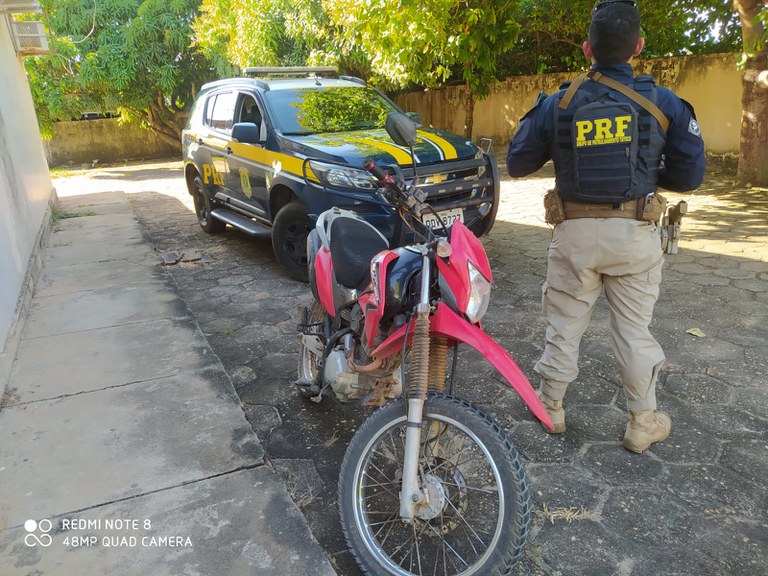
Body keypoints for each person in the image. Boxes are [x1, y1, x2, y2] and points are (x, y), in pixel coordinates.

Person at [506, 0, 705, 453]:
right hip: (635, 233)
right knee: (634, 332)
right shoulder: (665, 101)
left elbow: (518, 163)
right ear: (638, 47)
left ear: (586, 50)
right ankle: (642, 422)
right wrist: (651, 174)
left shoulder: (561, 101)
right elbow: (690, 176)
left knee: (564, 326)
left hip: (573, 234)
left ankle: (551, 408)